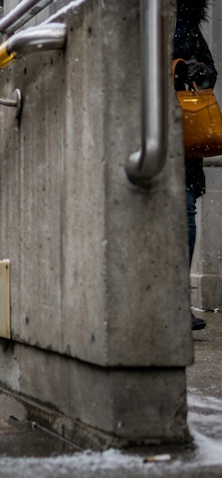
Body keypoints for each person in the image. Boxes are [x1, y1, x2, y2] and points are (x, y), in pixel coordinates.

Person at [175, 0, 214, 331]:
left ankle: (177, 303)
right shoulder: (137, 18)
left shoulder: (187, 24)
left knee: (186, 212)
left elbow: (211, 70)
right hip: (143, 130)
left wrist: (199, 70)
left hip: (184, 134)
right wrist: (175, 71)